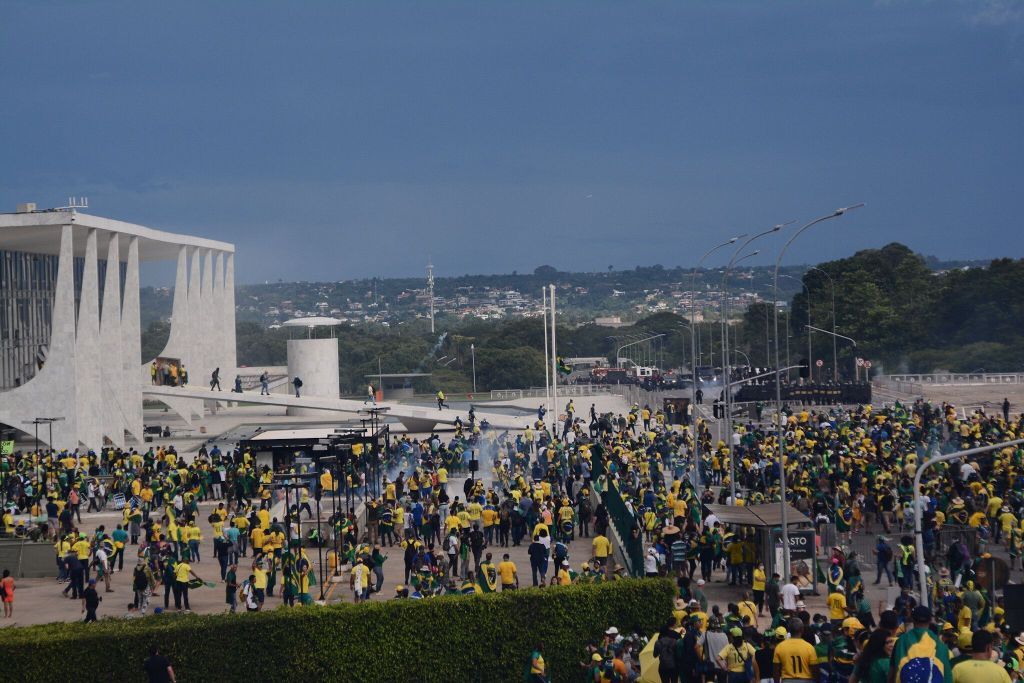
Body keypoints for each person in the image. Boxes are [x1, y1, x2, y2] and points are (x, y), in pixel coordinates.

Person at [889, 605, 952, 683]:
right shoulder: (941, 646)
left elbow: (891, 674)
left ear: (913, 619)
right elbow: (947, 678)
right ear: (930, 620)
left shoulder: (901, 641)